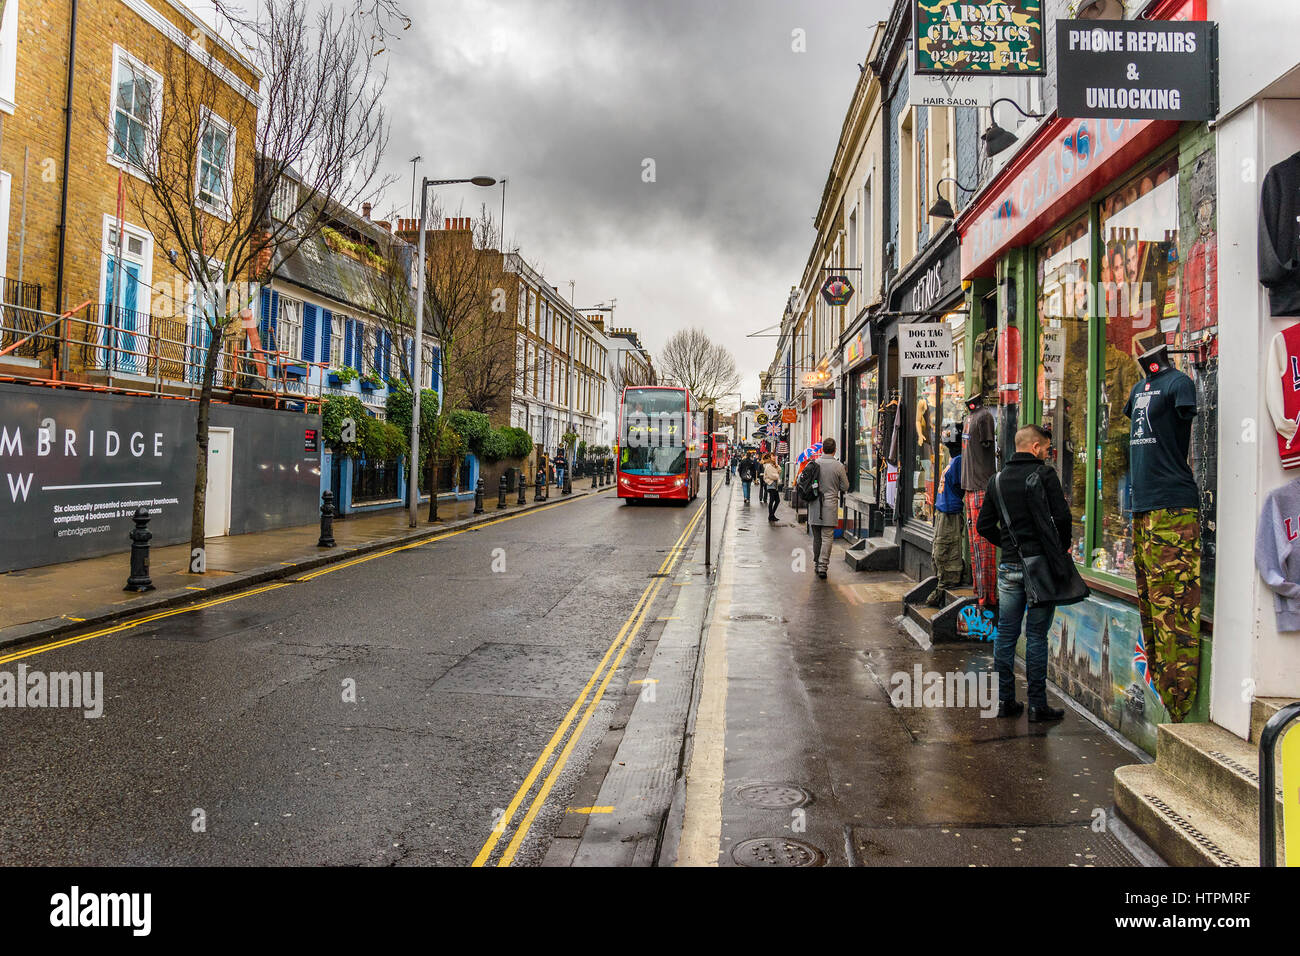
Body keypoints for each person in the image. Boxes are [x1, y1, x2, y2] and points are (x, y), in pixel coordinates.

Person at [975, 424, 1072, 722]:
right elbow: (1063, 518)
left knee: (1005, 634)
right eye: (1045, 447)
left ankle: (1005, 701)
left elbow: (983, 526)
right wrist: (1059, 550)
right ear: (1034, 447)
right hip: (1040, 567)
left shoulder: (997, 480)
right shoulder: (1045, 476)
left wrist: (1006, 544)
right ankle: (1036, 705)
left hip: (1009, 567)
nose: (1047, 453)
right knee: (1036, 637)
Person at [929, 430, 964, 607]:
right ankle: (942, 585)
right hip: (945, 510)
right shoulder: (955, 460)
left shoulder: (957, 461)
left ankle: (944, 587)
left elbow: (961, 485)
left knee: (945, 549)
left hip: (950, 510)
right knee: (941, 548)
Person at [806, 437, 849, 579]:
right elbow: (845, 486)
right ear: (834, 449)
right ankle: (823, 566)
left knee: (816, 536)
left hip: (814, 505)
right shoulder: (838, 466)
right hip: (830, 505)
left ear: (822, 449)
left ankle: (817, 563)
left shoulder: (814, 463)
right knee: (827, 536)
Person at [762, 454, 782, 523]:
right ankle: (771, 516)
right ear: (770, 458)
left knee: (777, 500)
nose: (774, 457)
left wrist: (777, 465)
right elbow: (772, 476)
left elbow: (780, 470)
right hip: (771, 484)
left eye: (774, 456)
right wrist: (777, 476)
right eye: (772, 456)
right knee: (772, 500)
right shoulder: (768, 466)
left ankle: (771, 515)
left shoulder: (774, 465)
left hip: (775, 485)